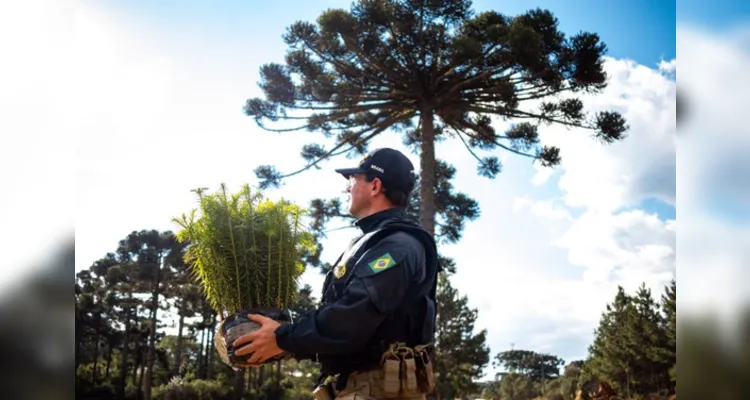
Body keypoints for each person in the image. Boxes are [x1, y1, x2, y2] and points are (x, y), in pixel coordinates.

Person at [232, 147, 440, 399]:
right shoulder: (374, 242)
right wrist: (283, 339)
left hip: (377, 390)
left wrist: (283, 337)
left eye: (353, 180)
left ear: (375, 186)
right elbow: (344, 324)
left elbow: (352, 318)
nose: (347, 188)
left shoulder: (399, 245)